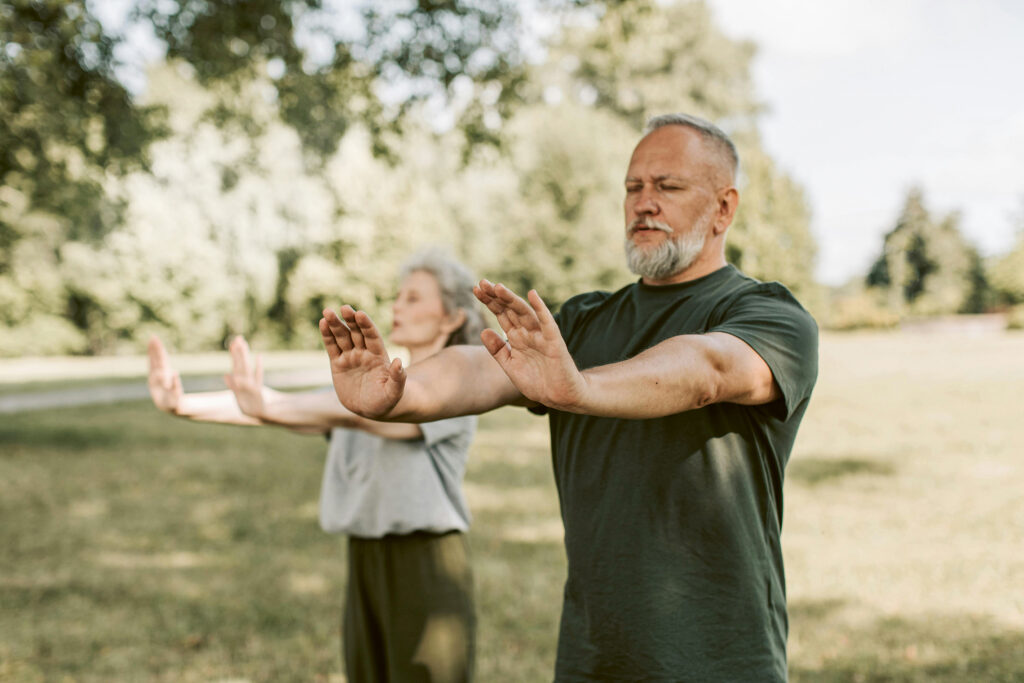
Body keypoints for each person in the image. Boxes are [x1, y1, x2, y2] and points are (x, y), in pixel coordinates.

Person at [318, 114, 819, 681]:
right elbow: (483, 366)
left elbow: (709, 369)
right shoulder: (585, 322)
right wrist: (399, 397)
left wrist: (582, 389)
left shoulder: (771, 316)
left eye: (668, 186)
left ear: (724, 208)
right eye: (633, 187)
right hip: (593, 655)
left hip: (720, 658)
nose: (644, 204)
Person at [148, 249, 487, 683]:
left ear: (452, 317)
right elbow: (302, 409)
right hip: (364, 553)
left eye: (415, 298)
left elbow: (351, 412)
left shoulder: (460, 384)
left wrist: (269, 402)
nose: (398, 306)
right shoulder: (362, 386)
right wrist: (181, 405)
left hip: (424, 560)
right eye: (398, 296)